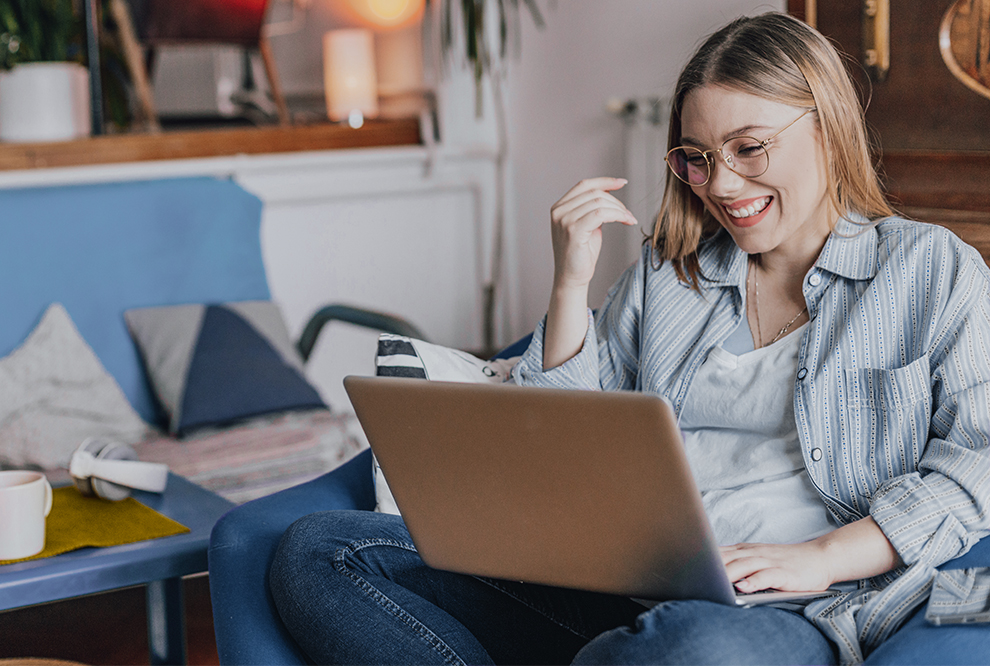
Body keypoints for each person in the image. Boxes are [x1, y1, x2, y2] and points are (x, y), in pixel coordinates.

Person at [268, 12, 990, 665]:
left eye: (748, 148)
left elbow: (978, 462)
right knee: (317, 551)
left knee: (688, 649)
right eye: (697, 157)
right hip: (619, 586)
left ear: (828, 129)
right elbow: (558, 444)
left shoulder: (928, 268)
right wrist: (570, 282)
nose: (721, 185)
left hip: (792, 609)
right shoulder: (669, 274)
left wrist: (824, 557)